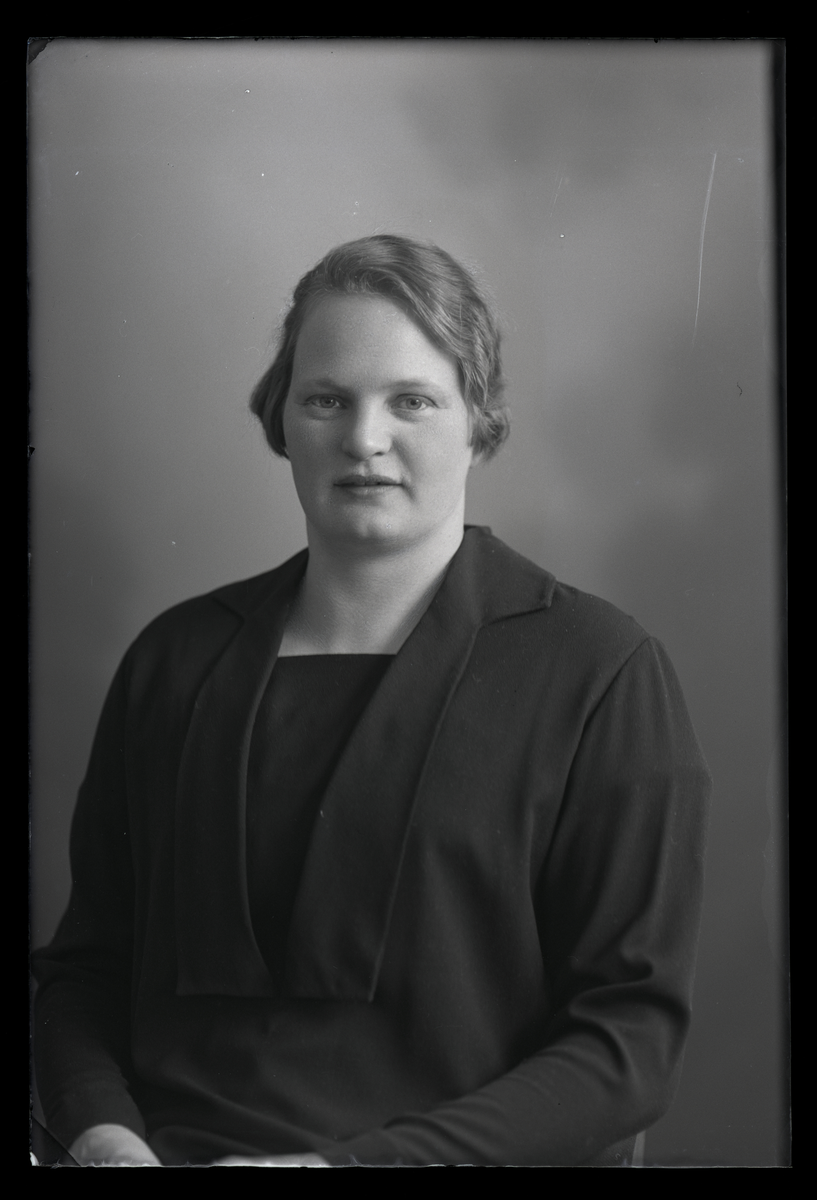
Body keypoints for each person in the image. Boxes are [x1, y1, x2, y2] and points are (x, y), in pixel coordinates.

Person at [32, 234, 711, 1167]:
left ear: (479, 421)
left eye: (411, 401)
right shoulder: (173, 661)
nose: (362, 439)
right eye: (326, 399)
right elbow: (84, 977)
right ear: (281, 419)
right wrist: (106, 1142)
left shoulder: (600, 672)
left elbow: (625, 1043)